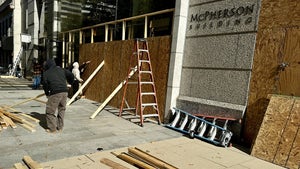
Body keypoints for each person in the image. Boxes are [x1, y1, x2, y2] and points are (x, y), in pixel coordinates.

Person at [42, 59, 74, 133]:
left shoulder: (46, 73)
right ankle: (60, 127)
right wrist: (70, 83)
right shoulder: (61, 70)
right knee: (61, 109)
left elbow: (45, 85)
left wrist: (47, 93)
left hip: (55, 92)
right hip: (65, 92)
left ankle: (52, 129)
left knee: (50, 111)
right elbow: (71, 75)